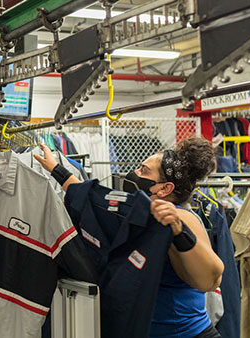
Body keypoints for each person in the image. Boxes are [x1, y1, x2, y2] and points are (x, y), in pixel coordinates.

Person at [34, 137, 225, 338]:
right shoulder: (136, 211)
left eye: (143, 170)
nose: (134, 174)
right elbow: (92, 198)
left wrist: (178, 231)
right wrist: (56, 169)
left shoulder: (181, 217)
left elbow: (211, 280)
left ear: (164, 188)